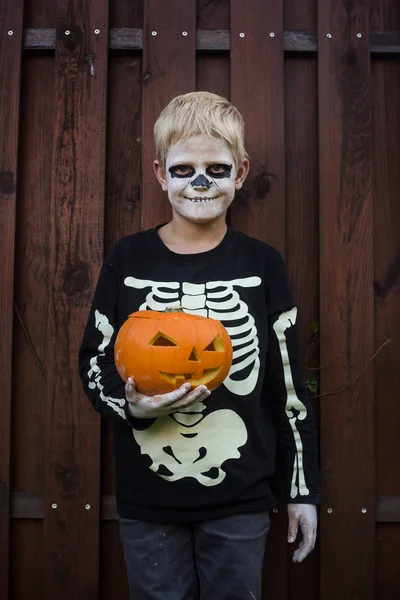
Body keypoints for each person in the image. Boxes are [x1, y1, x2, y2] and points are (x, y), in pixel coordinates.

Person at [79, 91, 320, 600]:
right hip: (149, 499)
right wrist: (130, 404)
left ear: (241, 172)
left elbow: (288, 388)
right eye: (184, 169)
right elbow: (94, 361)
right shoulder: (128, 258)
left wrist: (302, 490)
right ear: (161, 174)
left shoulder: (261, 264)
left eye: (216, 167)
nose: (200, 182)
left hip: (241, 498)